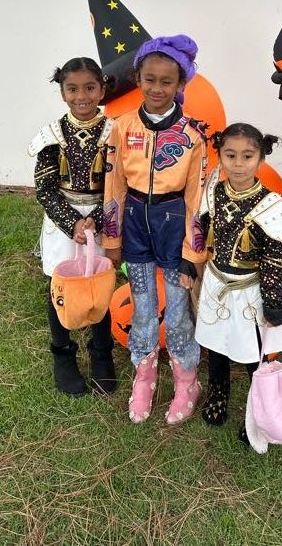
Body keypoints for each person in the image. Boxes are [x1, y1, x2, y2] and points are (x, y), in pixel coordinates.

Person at [102, 35, 208, 425]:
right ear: (138, 78)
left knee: (178, 311)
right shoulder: (122, 127)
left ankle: (187, 380)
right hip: (134, 223)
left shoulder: (193, 136)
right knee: (144, 306)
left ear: (181, 84)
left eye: (167, 81)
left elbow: (198, 196)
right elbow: (113, 184)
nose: (157, 88)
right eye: (150, 79)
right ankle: (143, 377)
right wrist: (111, 238)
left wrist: (193, 251)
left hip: (174, 222)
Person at [195, 123, 282, 442]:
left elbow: (276, 259)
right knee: (215, 345)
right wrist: (195, 259)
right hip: (217, 284)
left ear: (261, 161)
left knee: (254, 355)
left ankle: (260, 410)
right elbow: (203, 223)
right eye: (230, 155)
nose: (238, 163)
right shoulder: (214, 189)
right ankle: (218, 393)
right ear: (220, 156)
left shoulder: (270, 206)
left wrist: (274, 304)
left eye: (247, 156)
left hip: (249, 294)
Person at [28, 57, 117, 398]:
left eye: (90, 88)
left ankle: (101, 353)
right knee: (60, 286)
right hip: (63, 220)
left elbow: (117, 182)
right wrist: (72, 223)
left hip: (102, 214)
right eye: (73, 89)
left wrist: (96, 217)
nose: (82, 96)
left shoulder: (115, 132)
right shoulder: (51, 135)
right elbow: (45, 188)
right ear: (63, 92)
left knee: (101, 285)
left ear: (102, 89)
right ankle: (63, 355)